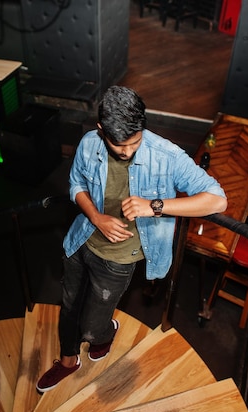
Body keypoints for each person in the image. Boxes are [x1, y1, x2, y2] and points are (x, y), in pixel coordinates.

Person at [36, 86, 227, 393]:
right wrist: (96, 218)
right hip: (82, 240)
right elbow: (75, 185)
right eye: (119, 145)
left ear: (143, 127)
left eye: (134, 143)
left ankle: (105, 333)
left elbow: (217, 201)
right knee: (69, 305)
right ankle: (69, 360)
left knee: (91, 327)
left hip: (119, 260)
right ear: (101, 130)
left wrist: (155, 206)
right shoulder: (89, 144)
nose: (127, 151)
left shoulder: (166, 155)